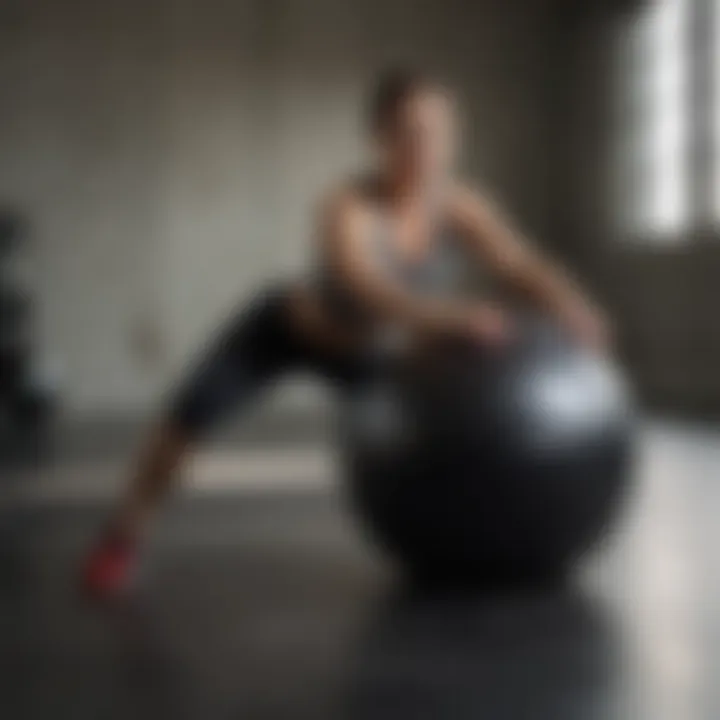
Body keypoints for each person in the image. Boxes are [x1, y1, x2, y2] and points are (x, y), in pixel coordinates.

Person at [81, 68, 610, 599]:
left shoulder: (460, 208)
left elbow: (518, 262)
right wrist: (450, 317)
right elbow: (368, 290)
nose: (426, 148)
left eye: (439, 132)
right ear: (379, 138)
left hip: (368, 353)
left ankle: (456, 541)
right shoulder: (348, 206)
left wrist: (571, 303)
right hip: (290, 329)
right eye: (409, 132)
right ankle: (121, 540)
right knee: (188, 417)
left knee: (424, 443)